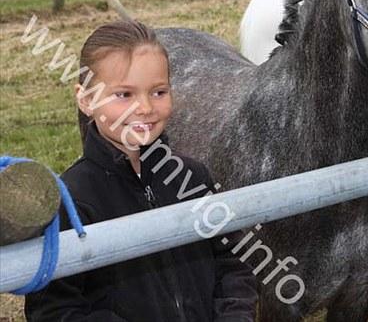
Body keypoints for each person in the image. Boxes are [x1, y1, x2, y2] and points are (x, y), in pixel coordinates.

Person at [24, 20, 258, 321]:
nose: (145, 108)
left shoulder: (192, 178)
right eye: (124, 95)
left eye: (158, 92)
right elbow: (54, 309)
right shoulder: (72, 199)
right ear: (85, 100)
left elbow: (231, 261)